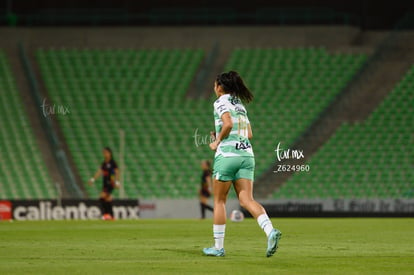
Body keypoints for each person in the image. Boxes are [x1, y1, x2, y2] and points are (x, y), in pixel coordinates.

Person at [203, 71, 282, 257]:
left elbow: (228, 124)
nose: (214, 88)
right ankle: (270, 231)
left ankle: (218, 247)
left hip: (228, 156)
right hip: (246, 155)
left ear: (220, 87)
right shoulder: (240, 105)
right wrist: (220, 134)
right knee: (247, 200)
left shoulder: (220, 101)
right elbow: (249, 134)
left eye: (215, 85)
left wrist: (217, 142)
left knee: (219, 201)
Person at [88, 147, 120, 220]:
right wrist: (92, 179)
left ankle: (106, 214)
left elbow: (117, 172)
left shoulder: (113, 163)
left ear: (110, 153)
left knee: (102, 196)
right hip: (105, 183)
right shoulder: (104, 163)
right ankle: (111, 215)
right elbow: (99, 172)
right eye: (104, 153)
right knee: (107, 199)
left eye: (106, 152)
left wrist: (117, 182)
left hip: (111, 182)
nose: (105, 154)